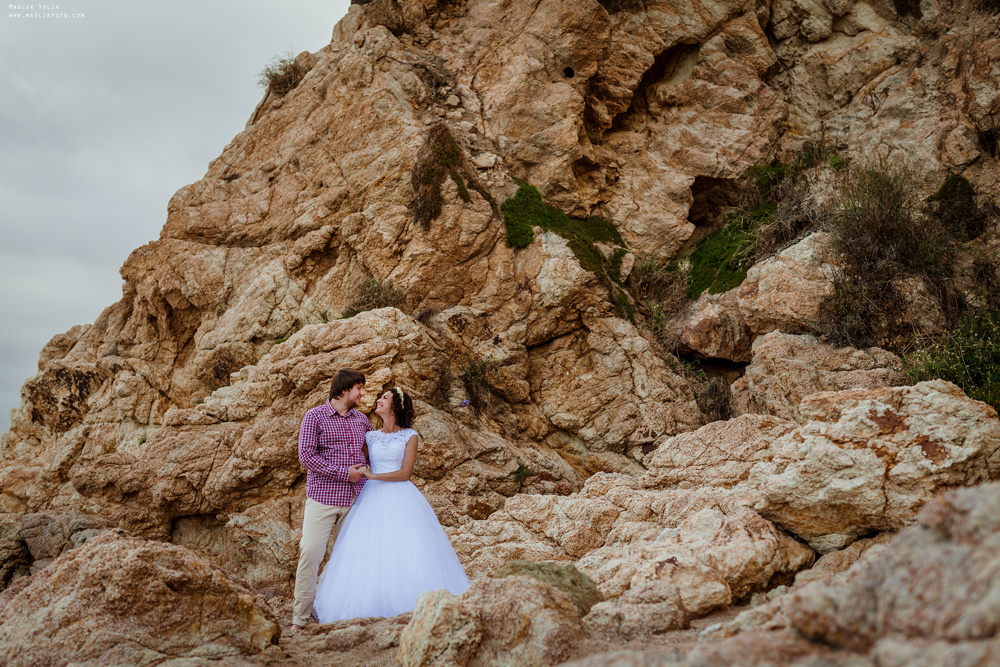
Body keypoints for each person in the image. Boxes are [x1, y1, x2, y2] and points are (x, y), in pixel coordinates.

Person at [312, 387, 470, 623]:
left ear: (395, 406)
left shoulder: (410, 436)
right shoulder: (370, 436)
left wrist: (373, 476)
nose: (378, 400)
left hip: (400, 496)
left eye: (384, 398)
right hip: (370, 498)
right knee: (368, 549)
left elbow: (406, 473)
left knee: (406, 547)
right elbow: (352, 455)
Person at [290, 368, 372, 632]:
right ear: (345, 389)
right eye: (359, 388)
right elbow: (306, 456)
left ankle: (343, 614)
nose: (362, 393)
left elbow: (369, 454)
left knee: (350, 560)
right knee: (310, 553)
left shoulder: (362, 420)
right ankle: (299, 619)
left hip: (356, 500)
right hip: (323, 498)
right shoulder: (314, 416)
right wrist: (343, 473)